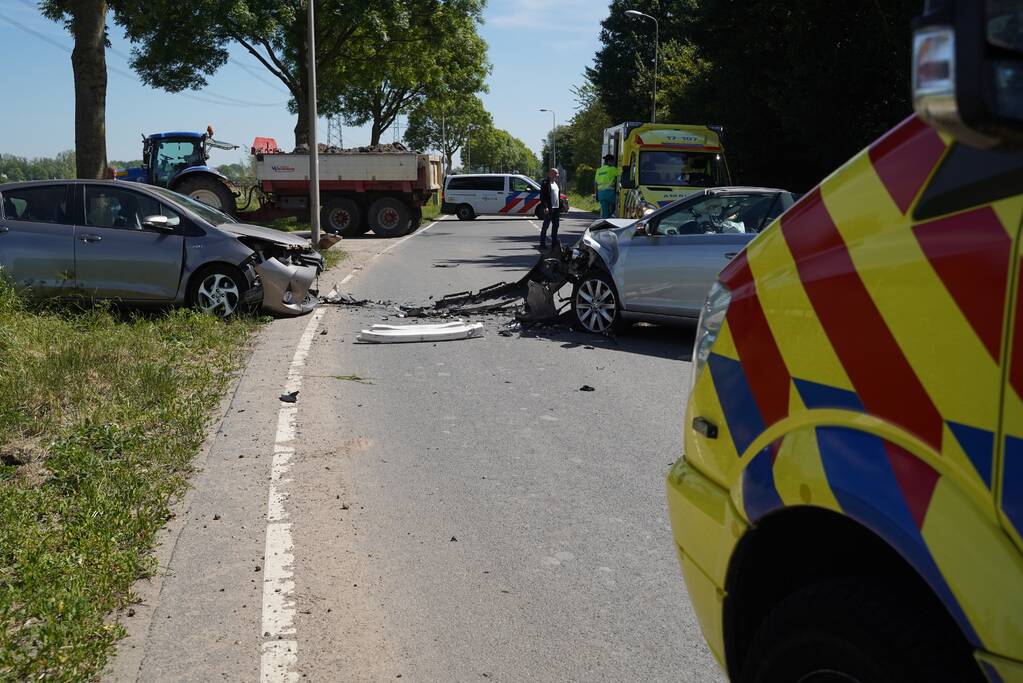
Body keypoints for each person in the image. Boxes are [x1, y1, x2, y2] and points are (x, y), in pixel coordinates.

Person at [538, 167, 561, 250]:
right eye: (555, 173)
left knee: (556, 226)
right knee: (546, 226)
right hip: (549, 208)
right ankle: (542, 243)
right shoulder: (545, 183)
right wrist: (545, 207)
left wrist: (560, 206)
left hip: (556, 208)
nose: (557, 175)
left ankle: (554, 244)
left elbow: (557, 196)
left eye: (557, 174)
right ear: (550, 173)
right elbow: (542, 197)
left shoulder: (556, 183)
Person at [594, 154, 618, 218]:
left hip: (601, 194)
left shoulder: (598, 170)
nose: (613, 163)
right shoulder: (612, 169)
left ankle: (605, 223)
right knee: (616, 208)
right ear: (609, 161)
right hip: (610, 193)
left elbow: (596, 183)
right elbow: (621, 173)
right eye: (612, 162)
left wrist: (596, 194)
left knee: (605, 212)